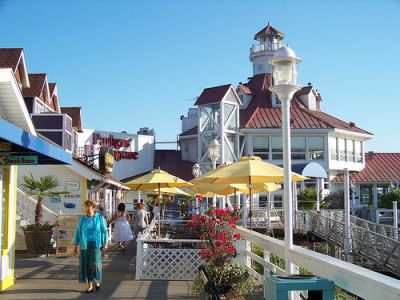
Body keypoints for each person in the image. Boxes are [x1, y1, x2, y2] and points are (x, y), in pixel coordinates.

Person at [72, 199, 108, 293]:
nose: (87, 209)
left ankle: (97, 281)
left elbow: (104, 231)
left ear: (94, 208)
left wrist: (106, 243)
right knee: (86, 265)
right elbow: (77, 233)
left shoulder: (100, 218)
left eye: (89, 207)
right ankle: (90, 285)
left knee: (95, 264)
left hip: (96, 244)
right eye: (86, 207)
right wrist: (75, 247)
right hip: (85, 244)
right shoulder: (82, 219)